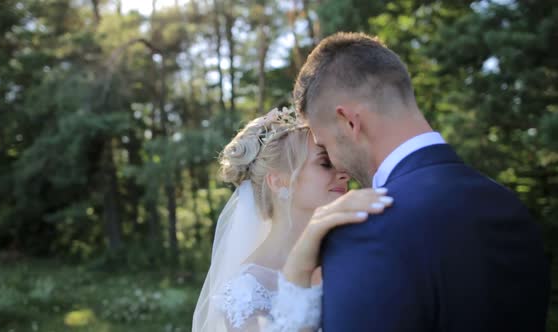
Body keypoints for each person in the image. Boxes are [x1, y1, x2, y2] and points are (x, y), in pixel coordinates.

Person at [292, 31, 550, 332]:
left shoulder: (367, 231)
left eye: (326, 146)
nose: (337, 165)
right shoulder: (508, 205)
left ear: (350, 121)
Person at [192, 107, 393, 331]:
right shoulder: (246, 290)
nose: (344, 174)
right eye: (325, 163)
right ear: (277, 182)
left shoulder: (352, 252)